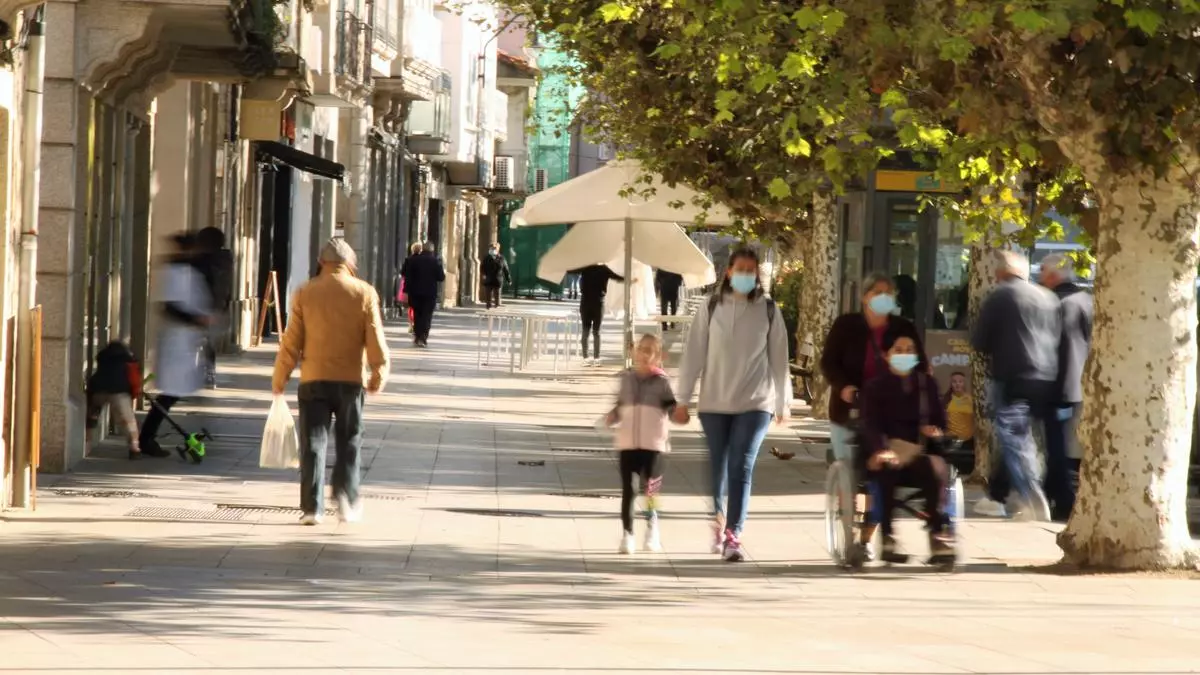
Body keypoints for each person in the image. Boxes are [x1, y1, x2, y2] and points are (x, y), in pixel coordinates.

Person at [675, 247, 790, 562]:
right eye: (741, 269)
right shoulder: (711, 307)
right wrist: (682, 399)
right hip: (715, 401)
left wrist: (783, 401)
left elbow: (779, 358)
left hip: (756, 401)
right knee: (719, 465)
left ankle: (733, 535)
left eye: (751, 271)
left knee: (741, 464)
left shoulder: (768, 310)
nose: (746, 276)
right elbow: (694, 354)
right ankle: (718, 517)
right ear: (728, 272)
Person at [272, 238, 390, 526]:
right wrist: (378, 373)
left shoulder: (305, 292)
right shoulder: (363, 293)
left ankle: (312, 509)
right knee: (349, 441)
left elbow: (291, 341)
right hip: (350, 380)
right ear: (350, 264)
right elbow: (375, 338)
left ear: (322, 263)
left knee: (313, 443)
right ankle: (347, 500)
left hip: (313, 380)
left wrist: (280, 377)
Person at [971, 250, 1060, 522]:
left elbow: (980, 341)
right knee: (1024, 438)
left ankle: (1030, 492)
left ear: (1000, 274)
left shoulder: (1000, 296)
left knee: (1013, 438)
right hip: (1045, 377)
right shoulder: (1048, 297)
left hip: (1010, 374)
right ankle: (998, 494)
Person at [859, 329, 956, 565]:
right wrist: (880, 449)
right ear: (887, 355)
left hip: (917, 451)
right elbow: (870, 424)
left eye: (910, 350)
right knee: (887, 468)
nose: (905, 354)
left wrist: (934, 430)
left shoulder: (927, 385)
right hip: (886, 450)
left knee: (934, 471)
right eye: (898, 350)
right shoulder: (875, 387)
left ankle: (936, 536)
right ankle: (888, 538)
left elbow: (941, 422)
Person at [820, 272, 928, 464]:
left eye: (889, 293)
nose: (884, 297)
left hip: (891, 412)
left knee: (881, 469)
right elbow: (829, 363)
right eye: (878, 292)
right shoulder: (846, 325)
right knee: (847, 468)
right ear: (864, 297)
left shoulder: (904, 329)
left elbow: (921, 365)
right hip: (849, 410)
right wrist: (844, 387)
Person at [140, 233, 212, 457]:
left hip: (183, 341)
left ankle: (147, 437)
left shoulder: (186, 272)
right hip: (176, 341)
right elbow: (169, 307)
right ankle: (146, 438)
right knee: (169, 393)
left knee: (171, 393)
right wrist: (196, 319)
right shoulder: (173, 273)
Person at [606, 334, 679, 554]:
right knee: (629, 490)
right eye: (641, 349)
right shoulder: (626, 379)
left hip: (654, 446)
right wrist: (613, 416)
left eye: (650, 351)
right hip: (628, 444)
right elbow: (620, 406)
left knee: (650, 491)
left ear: (658, 357)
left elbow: (673, 410)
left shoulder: (663, 382)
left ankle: (652, 527)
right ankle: (628, 534)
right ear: (633, 352)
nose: (644, 354)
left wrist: (681, 413)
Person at [1038, 253, 1093, 521]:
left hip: (1062, 387)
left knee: (1058, 446)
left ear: (1052, 275)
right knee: (1064, 446)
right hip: (1083, 386)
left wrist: (1060, 389)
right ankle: (1054, 493)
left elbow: (1066, 351)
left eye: (1041, 271)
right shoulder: (1087, 300)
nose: (1039, 277)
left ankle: (1063, 500)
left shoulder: (1061, 304)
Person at [86, 340, 147, 459]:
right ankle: (134, 446)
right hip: (119, 392)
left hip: (98, 390)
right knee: (128, 420)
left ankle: (87, 443)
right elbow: (134, 381)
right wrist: (134, 394)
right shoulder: (129, 361)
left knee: (92, 416)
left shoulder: (102, 358)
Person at [193, 226, 233, 388]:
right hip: (217, 306)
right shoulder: (225, 260)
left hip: (205, 306)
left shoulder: (205, 261)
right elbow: (226, 287)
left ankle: (205, 373)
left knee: (202, 341)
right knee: (208, 342)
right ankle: (208, 373)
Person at [573, 264, 624, 366]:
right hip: (599, 303)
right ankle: (597, 358)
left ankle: (585, 358)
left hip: (585, 302)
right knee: (597, 331)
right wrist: (629, 279)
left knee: (585, 330)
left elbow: (572, 270)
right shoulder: (604, 269)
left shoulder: (586, 267)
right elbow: (617, 278)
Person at [401, 241, 445, 348]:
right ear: (432, 250)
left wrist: (405, 292)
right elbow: (441, 277)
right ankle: (423, 337)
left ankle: (417, 336)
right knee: (427, 316)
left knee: (417, 315)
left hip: (415, 293)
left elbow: (408, 277)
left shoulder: (414, 260)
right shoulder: (435, 261)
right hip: (430, 294)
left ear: (423, 249)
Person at [399, 242, 422, 334]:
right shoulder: (422, 260)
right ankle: (416, 324)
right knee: (418, 308)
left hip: (409, 287)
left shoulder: (408, 259)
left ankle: (410, 324)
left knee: (411, 307)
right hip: (420, 287)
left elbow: (403, 272)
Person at [480, 242, 511, 310]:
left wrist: (509, 280)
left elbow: (506, 269)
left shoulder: (501, 258)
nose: (492, 250)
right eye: (491, 248)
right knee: (488, 297)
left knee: (497, 296)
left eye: (494, 248)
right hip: (489, 280)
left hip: (498, 280)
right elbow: (482, 267)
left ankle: (497, 308)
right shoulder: (486, 258)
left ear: (497, 250)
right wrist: (484, 274)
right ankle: (488, 308)